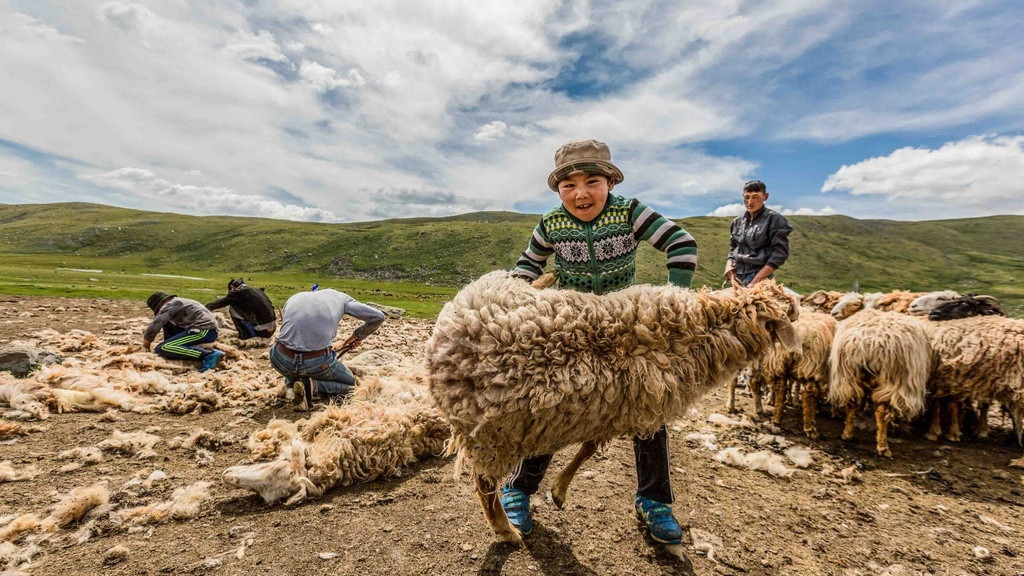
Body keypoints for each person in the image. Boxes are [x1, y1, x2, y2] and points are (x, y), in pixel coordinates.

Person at [508, 138, 698, 546]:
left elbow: (681, 244)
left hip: (622, 326)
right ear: (558, 191)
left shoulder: (629, 211)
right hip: (570, 326)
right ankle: (519, 489)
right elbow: (528, 264)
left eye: (591, 181)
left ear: (610, 181)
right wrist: (515, 299)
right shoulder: (551, 223)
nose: (580, 193)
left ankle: (655, 501)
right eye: (568, 186)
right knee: (550, 404)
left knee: (648, 406)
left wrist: (673, 303)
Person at [270, 287, 386, 410]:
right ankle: (313, 386)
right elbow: (378, 317)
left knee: (296, 356)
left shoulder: (295, 297)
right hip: (315, 363)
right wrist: (356, 336)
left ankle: (291, 384)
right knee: (355, 386)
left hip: (279, 358)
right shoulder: (343, 300)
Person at [724, 180, 792, 286]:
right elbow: (733, 247)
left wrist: (756, 281)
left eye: (755, 197)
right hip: (736, 277)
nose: (750, 202)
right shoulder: (737, 222)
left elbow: (780, 254)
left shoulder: (774, 219)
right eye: (747, 197)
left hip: (760, 278)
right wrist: (728, 265)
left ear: (765, 196)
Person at [143, 291, 223, 372]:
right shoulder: (180, 302)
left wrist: (147, 342)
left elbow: (158, 322)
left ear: (162, 303)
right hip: (198, 329)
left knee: (163, 348)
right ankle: (174, 348)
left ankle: (209, 354)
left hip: (205, 330)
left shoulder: (172, 304)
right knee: (167, 326)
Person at [205, 278, 277, 340]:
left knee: (232, 308)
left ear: (232, 287)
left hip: (261, 331)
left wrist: (203, 308)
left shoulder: (237, 293)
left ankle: (244, 335)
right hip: (271, 330)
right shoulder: (258, 291)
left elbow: (219, 303)